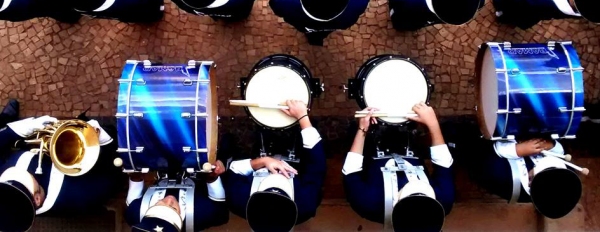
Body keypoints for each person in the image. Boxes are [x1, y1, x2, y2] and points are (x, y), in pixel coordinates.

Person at [0, 100, 121, 231]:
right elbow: (115, 171)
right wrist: (100, 135)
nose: (19, 172)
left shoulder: (4, 176)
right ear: (37, 199)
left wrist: (20, 129)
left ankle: (4, 120)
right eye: (25, 179)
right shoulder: (81, 196)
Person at [343, 103, 455, 231]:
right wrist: (433, 124)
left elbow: (350, 170)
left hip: (372, 143)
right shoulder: (443, 204)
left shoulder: (367, 204)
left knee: (352, 130)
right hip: (410, 143)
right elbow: (444, 164)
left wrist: (362, 129)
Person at [225, 100, 327, 231]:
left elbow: (234, 169)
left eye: (270, 187)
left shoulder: (238, 201)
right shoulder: (306, 204)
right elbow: (317, 165)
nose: (277, 177)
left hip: (260, 157)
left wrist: (263, 161)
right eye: (281, 188)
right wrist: (303, 117)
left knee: (259, 129)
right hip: (296, 158)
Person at [472, 137, 582, 219]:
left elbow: (480, 154)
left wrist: (518, 150)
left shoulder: (499, 177)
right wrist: (551, 145)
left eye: (537, 166)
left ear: (530, 180)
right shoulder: (567, 176)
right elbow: (562, 151)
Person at [126, 161, 229, 232]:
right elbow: (219, 205)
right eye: (174, 209)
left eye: (159, 206)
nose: (169, 200)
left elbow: (133, 197)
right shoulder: (202, 213)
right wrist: (212, 178)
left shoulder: (135, 213)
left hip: (162, 168)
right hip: (197, 172)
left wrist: (135, 176)